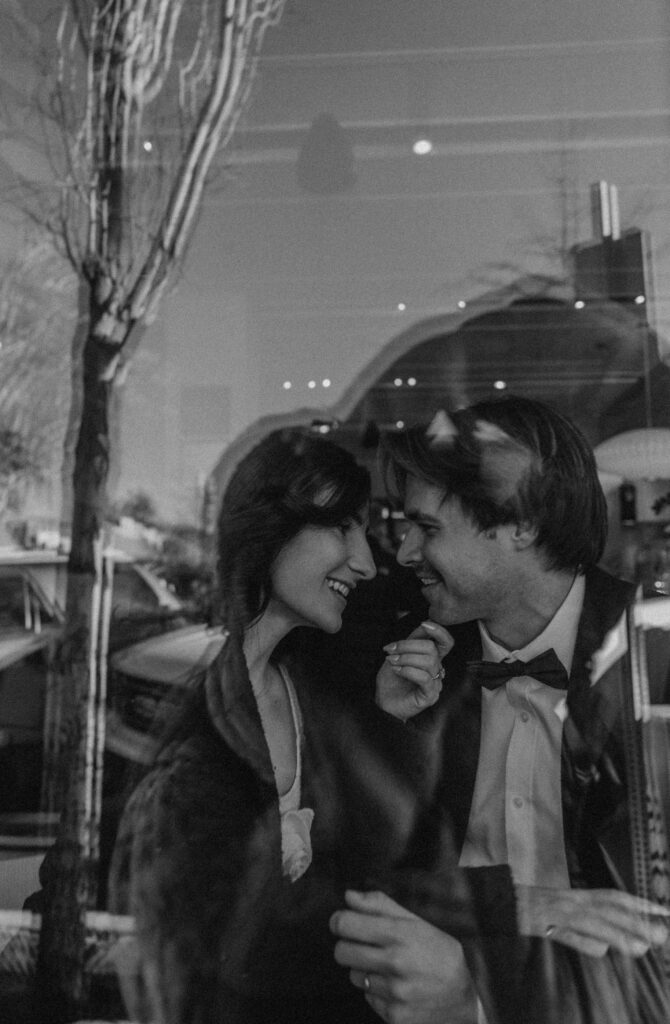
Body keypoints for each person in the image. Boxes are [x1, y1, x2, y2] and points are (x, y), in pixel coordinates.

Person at [330, 396, 670, 1024]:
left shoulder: (653, 654)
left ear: (523, 525)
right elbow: (355, 891)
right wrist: (390, 728)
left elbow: (651, 925)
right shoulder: (405, 664)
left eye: (427, 529)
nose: (402, 553)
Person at [108, 427, 461, 1024]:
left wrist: (391, 720)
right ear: (267, 533)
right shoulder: (199, 739)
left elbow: (373, 865)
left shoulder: (311, 688)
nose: (366, 562)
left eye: (365, 528)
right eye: (342, 527)